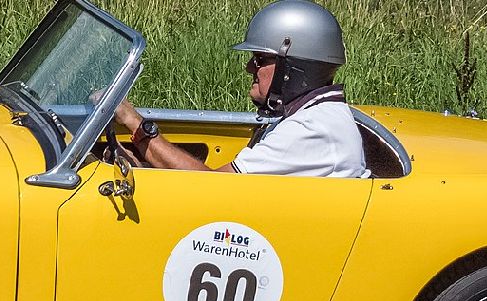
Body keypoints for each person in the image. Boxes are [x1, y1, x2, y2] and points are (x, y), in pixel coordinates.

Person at [110, 0, 369, 178]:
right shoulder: (313, 116)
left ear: (293, 68)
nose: (249, 68)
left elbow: (209, 187)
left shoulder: (311, 130)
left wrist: (136, 125)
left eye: (259, 60)